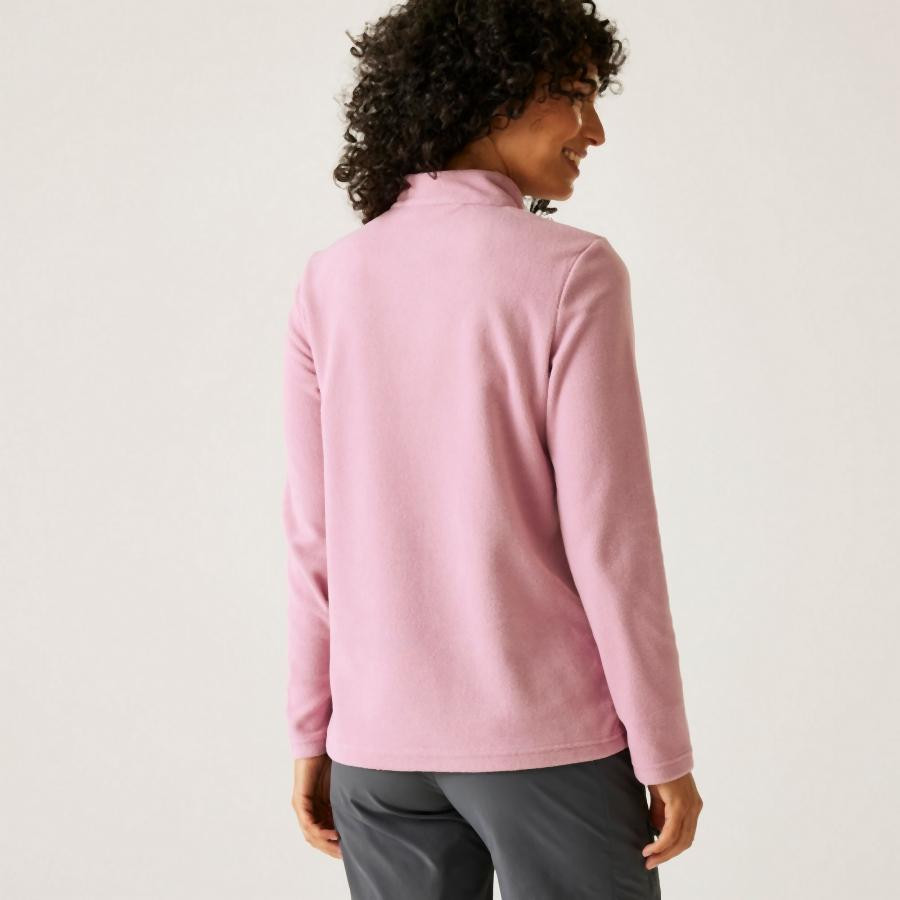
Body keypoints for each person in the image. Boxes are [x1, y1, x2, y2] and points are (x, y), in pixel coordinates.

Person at [282, 1, 703, 896]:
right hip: (544, 741)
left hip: (377, 754)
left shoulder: (330, 279)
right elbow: (611, 540)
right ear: (489, 93)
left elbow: (313, 538)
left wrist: (311, 730)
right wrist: (664, 748)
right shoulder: (572, 272)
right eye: (574, 96)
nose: (594, 129)